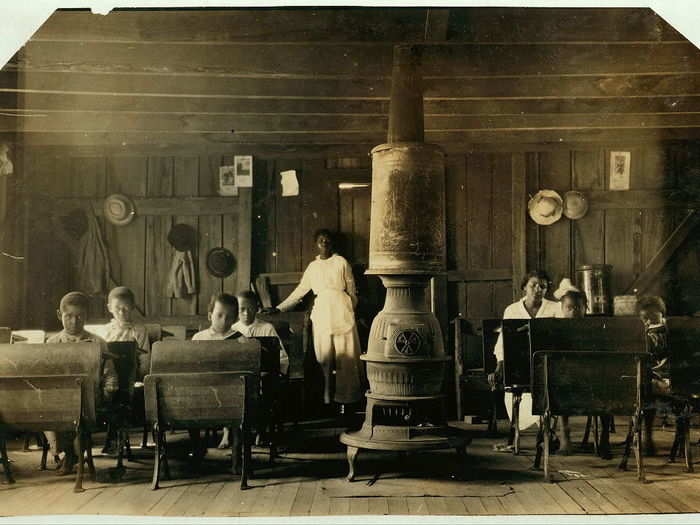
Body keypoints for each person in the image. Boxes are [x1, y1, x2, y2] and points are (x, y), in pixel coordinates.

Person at [266, 229, 364, 409]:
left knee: (347, 355)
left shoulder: (341, 262)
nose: (324, 243)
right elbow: (300, 291)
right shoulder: (313, 267)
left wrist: (350, 311)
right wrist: (279, 308)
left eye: (327, 240)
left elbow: (351, 290)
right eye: (321, 240)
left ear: (332, 243)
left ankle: (348, 399)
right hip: (322, 313)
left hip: (342, 309)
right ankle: (327, 398)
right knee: (324, 356)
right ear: (316, 244)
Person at [45, 291, 118, 475]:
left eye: (80, 316)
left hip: (90, 399)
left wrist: (108, 392)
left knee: (78, 410)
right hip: (60, 399)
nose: (74, 321)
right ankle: (68, 453)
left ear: (87, 317)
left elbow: (110, 374)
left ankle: (73, 455)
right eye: (68, 316)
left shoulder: (97, 343)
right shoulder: (52, 343)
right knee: (51, 409)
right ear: (59, 315)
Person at [489, 269, 560, 453]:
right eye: (533, 285)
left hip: (547, 365)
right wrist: (499, 367)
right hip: (520, 366)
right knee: (515, 389)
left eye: (542, 286)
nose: (538, 289)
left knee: (550, 388)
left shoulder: (555, 308)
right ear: (524, 288)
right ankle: (515, 438)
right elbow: (503, 342)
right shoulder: (512, 310)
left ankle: (546, 432)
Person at [217, 290, 290, 449]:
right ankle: (227, 433)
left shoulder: (267, 328)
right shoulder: (232, 329)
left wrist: (275, 371)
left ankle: (259, 431)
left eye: (250, 309)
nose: (246, 313)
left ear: (257, 309)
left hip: (261, 377)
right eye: (242, 309)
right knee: (228, 390)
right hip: (237, 378)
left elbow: (282, 357)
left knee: (264, 389)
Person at [102, 286, 150, 454]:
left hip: (132, 374)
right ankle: (116, 437)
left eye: (126, 308)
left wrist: (143, 376)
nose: (122, 312)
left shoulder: (139, 330)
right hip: (111, 376)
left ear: (133, 307)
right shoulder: (106, 331)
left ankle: (115, 438)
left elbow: (145, 359)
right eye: (117, 308)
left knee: (124, 386)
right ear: (109, 308)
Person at [637, 295, 670, 456]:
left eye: (653, 318)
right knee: (645, 386)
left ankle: (647, 437)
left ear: (662, 315)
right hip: (653, 377)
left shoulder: (670, 331)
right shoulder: (642, 333)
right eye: (645, 319)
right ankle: (646, 435)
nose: (649, 322)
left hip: (669, 377)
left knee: (648, 388)